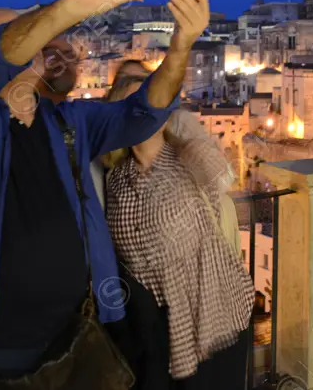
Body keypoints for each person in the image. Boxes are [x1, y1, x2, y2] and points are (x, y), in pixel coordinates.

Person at [0, 0, 211, 388]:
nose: (45, 47)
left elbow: (143, 114)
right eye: (26, 37)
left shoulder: (66, 122)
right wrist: (70, 7)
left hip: (74, 336)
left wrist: (181, 45)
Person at [104, 61, 253, 389]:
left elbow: (223, 177)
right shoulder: (116, 181)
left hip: (217, 321)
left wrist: (178, 117)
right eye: (132, 105)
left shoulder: (188, 157)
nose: (142, 110)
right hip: (157, 334)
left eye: (151, 101)